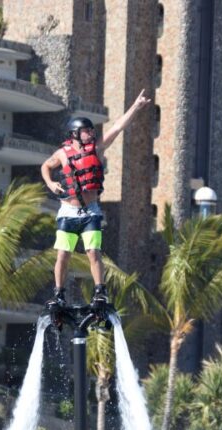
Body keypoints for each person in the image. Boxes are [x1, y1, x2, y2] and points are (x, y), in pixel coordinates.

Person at [40, 89, 151, 309]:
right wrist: (51, 183)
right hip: (67, 212)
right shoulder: (62, 153)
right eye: (86, 131)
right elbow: (45, 166)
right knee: (63, 254)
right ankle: (59, 293)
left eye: (91, 131)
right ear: (75, 133)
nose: (91, 134)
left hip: (90, 211)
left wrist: (136, 106)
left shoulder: (97, 149)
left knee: (93, 252)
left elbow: (118, 126)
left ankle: (100, 292)